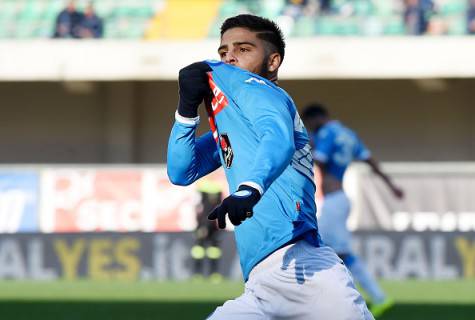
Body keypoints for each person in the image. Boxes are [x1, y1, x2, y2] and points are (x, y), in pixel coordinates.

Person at [167, 14, 373, 320]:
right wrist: (186, 111)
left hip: (306, 271)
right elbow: (181, 171)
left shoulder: (270, 95)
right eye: (223, 52)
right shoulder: (231, 128)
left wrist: (250, 189)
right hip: (260, 286)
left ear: (273, 61)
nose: (229, 57)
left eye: (244, 49)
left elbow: (278, 141)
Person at [302, 103, 404, 318]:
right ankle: (365, 298)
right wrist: (391, 185)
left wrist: (305, 147)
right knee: (333, 250)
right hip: (340, 199)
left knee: (323, 248)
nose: (311, 129)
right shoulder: (349, 134)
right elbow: (369, 160)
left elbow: (319, 159)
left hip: (334, 200)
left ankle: (373, 298)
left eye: (310, 124)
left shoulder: (327, 133)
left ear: (316, 118)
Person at [190, 179, 223, 282]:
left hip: (206, 226)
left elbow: (205, 212)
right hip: (213, 227)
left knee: (203, 250)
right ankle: (212, 275)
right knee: (209, 250)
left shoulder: (204, 200)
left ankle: (200, 275)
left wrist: (203, 226)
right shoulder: (216, 197)